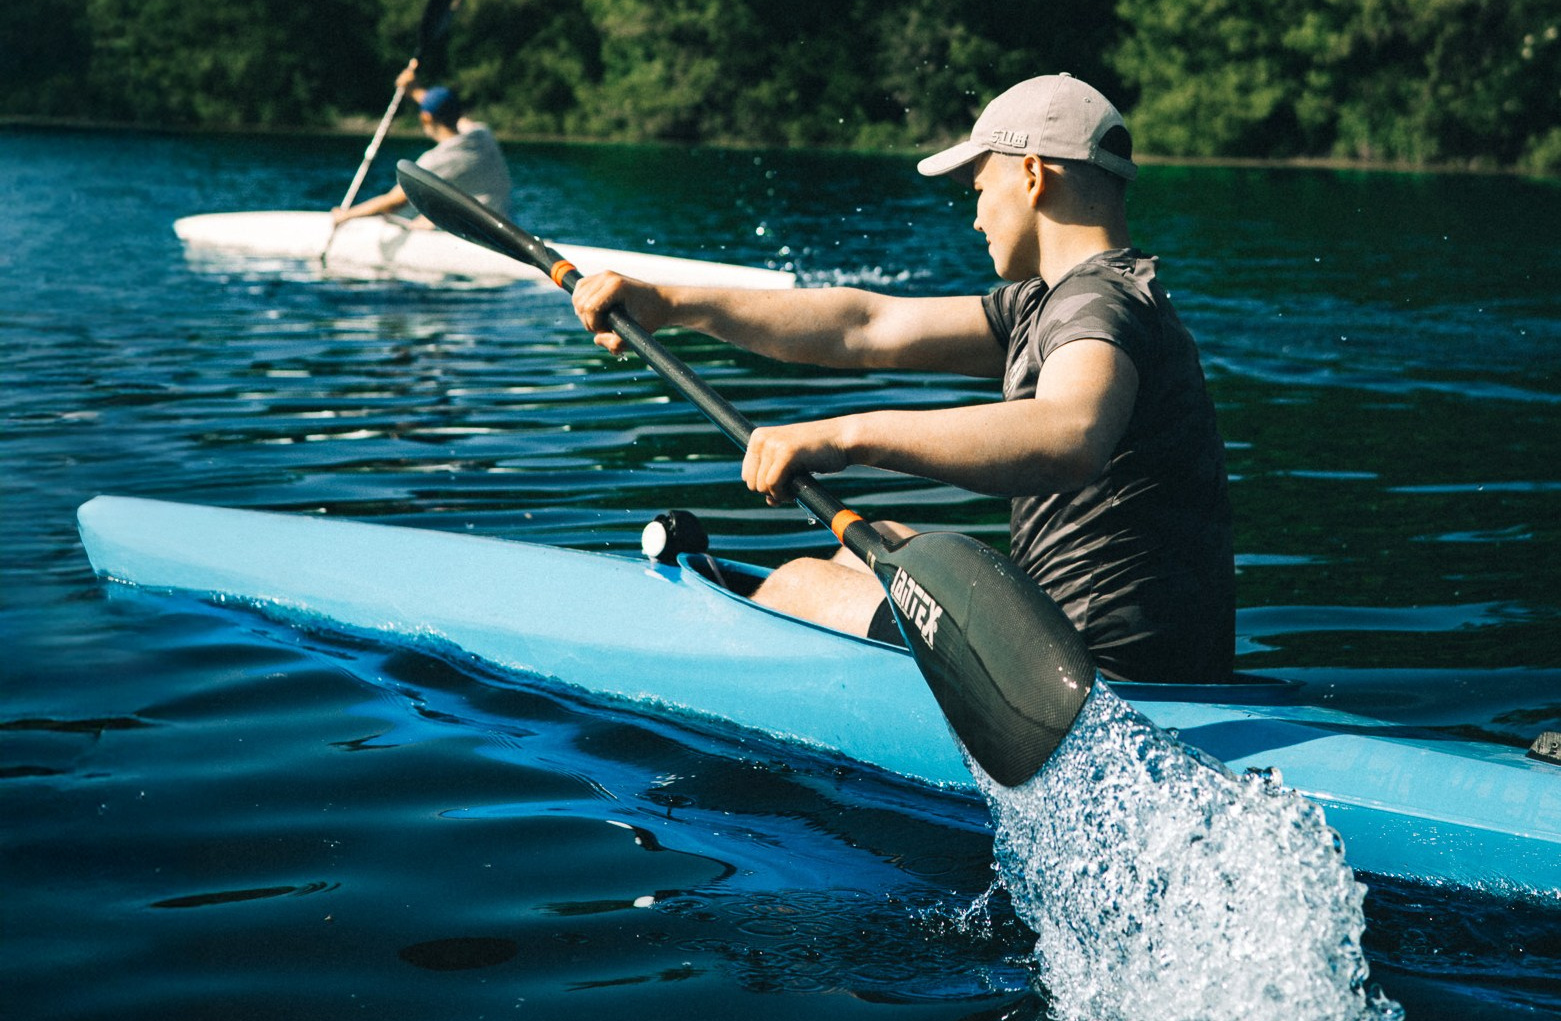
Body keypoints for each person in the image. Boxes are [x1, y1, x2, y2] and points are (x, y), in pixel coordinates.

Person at [572, 73, 1235, 684]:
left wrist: (847, 436)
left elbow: (1069, 433)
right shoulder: (1060, 297)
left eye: (978, 188)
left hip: (1091, 679)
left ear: (1032, 175)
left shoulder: (1096, 304)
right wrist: (672, 303)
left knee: (800, 582)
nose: (974, 216)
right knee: (875, 542)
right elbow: (863, 325)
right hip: (1107, 646)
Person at [331, 64, 512, 227]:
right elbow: (449, 112)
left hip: (478, 238)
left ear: (425, 118)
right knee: (426, 219)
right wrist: (415, 90)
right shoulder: (482, 134)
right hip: (505, 227)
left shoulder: (436, 160)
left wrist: (346, 215)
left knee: (419, 219)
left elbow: (393, 202)